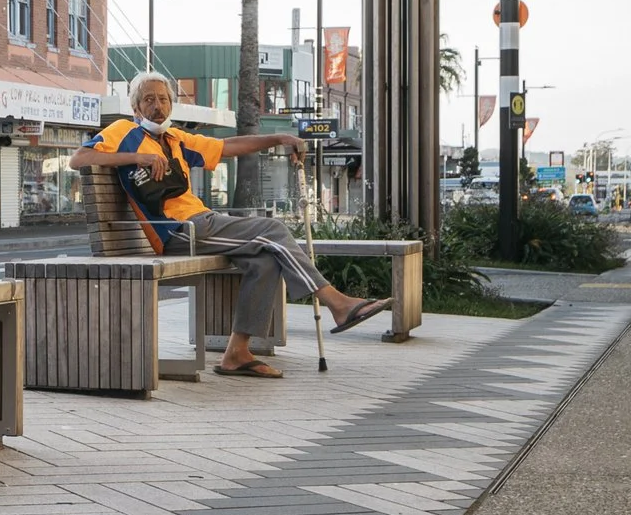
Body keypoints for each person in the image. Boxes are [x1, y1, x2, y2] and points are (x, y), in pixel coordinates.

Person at [71, 71, 391, 378]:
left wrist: (279, 138)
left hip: (198, 224)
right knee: (274, 230)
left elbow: (228, 148)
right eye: (149, 100)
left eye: (164, 99)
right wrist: (136, 159)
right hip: (176, 230)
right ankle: (338, 303)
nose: (158, 106)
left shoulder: (174, 139)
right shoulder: (122, 133)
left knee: (265, 260)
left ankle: (237, 353)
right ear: (135, 106)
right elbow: (79, 160)